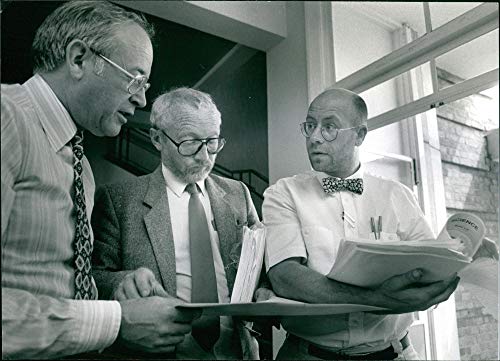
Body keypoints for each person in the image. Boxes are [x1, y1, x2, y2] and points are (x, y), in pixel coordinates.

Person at [1, 2, 199, 359]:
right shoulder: (6, 117)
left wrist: (117, 288)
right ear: (78, 59)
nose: (141, 99)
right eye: (135, 79)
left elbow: (56, 283)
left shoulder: (83, 169)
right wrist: (116, 322)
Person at [263, 88, 461, 360]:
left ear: (359, 135)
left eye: (329, 126)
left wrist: (461, 250)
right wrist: (379, 299)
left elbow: (430, 270)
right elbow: (285, 277)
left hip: (396, 353)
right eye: (310, 125)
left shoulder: (398, 195)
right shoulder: (283, 193)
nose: (314, 137)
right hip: (308, 354)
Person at [91, 87, 264, 359]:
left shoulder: (239, 194)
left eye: (212, 142)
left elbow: (258, 263)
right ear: (157, 138)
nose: (205, 157)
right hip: (159, 351)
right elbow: (94, 275)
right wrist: (122, 282)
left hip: (235, 349)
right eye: (189, 143)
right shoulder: (118, 199)